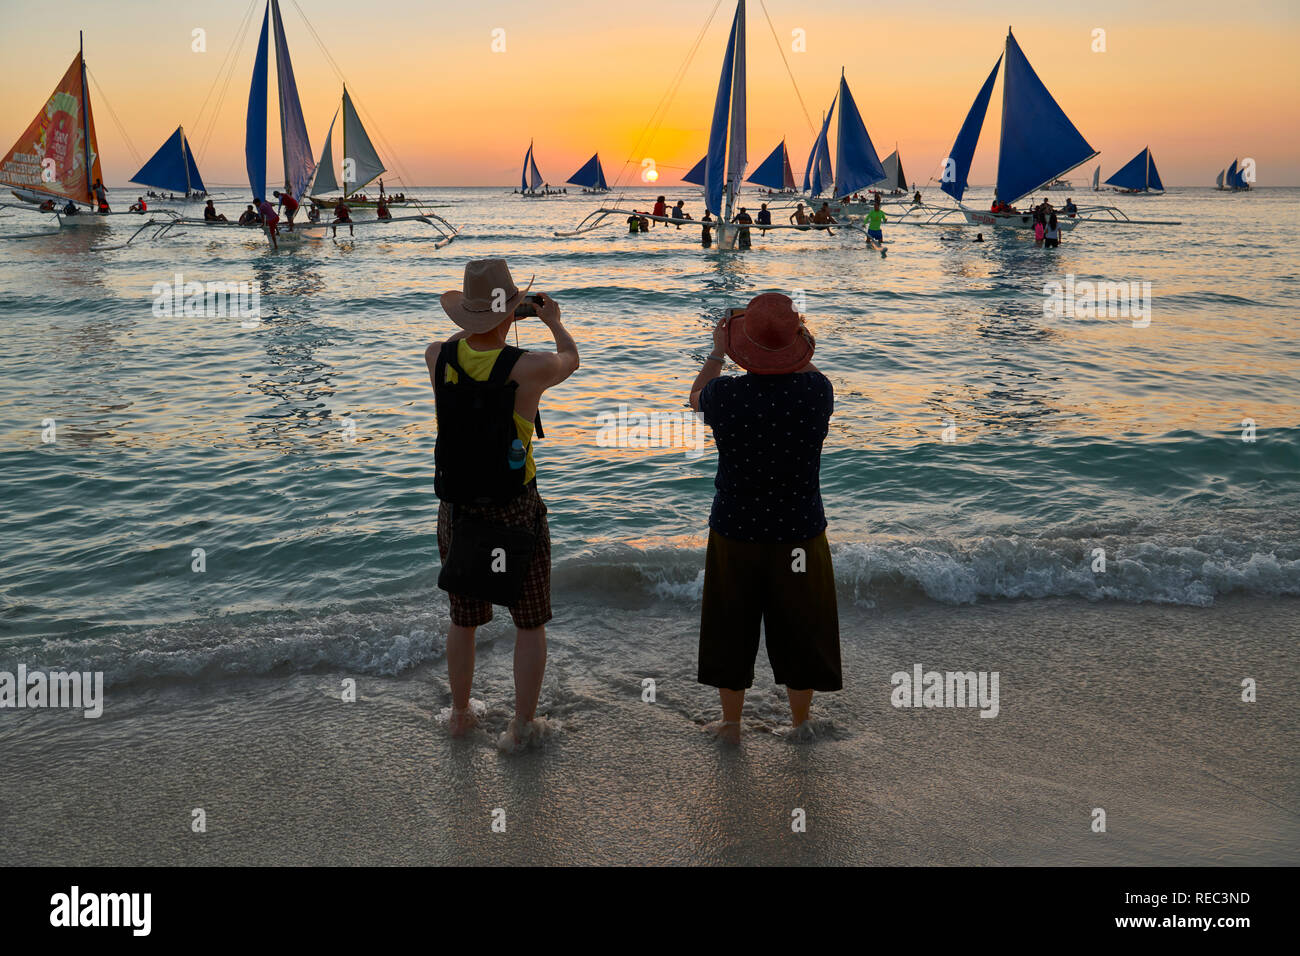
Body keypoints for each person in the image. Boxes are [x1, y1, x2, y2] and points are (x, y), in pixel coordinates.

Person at [426, 259, 580, 750]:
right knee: (529, 621)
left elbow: (471, 345)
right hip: (515, 507)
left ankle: (459, 714)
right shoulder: (529, 368)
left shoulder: (437, 357)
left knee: (463, 618)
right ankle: (522, 725)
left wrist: (500, 318)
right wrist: (551, 319)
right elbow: (570, 358)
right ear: (510, 309)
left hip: (458, 508)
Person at [689, 292, 841, 743]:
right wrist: (797, 347)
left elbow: (693, 396)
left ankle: (731, 724)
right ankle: (799, 723)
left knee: (730, 623)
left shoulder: (724, 395)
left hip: (736, 527)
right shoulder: (817, 391)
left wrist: (718, 350)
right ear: (797, 347)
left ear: (743, 348)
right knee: (800, 623)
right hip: (800, 531)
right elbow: (806, 369)